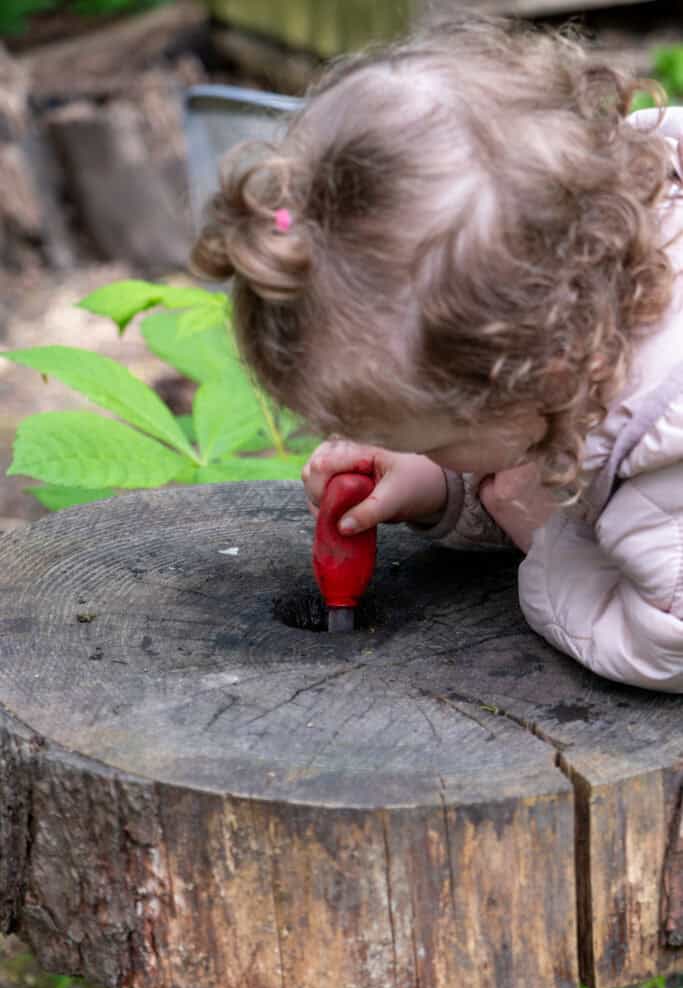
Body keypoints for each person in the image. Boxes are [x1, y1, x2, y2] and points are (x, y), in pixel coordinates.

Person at [191, 16, 683, 691]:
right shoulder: (581, 264)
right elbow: (544, 440)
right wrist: (442, 484)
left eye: (438, 441)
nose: (419, 450)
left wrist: (543, 532)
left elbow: (669, 644)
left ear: (542, 371)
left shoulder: (666, 450)